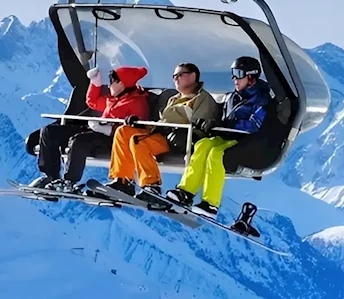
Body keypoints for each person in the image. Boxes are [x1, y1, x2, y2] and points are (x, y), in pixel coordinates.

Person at [166, 56, 271, 219]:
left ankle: (210, 204)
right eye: (233, 74)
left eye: (239, 74)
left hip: (246, 141)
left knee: (216, 155)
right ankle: (186, 192)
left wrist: (229, 125)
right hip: (227, 136)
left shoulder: (261, 99)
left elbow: (255, 124)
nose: (234, 79)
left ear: (251, 76)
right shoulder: (233, 97)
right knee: (202, 145)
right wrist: (212, 124)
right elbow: (224, 119)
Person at [104, 62, 219, 201]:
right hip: (162, 133)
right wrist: (140, 123)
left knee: (138, 141)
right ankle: (122, 180)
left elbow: (201, 125)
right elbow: (163, 121)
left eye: (180, 75)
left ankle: (151, 184)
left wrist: (187, 134)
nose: (176, 79)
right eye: (174, 76)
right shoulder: (174, 99)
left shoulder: (202, 99)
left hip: (177, 139)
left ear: (192, 76)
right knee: (123, 131)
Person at [28, 65, 150, 193]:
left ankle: (69, 181)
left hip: (112, 139)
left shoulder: (137, 102)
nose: (109, 85)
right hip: (97, 131)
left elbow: (137, 128)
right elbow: (92, 102)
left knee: (80, 141)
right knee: (50, 132)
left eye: (112, 81)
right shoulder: (113, 100)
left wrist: (107, 129)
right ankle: (50, 176)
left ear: (122, 83)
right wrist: (95, 84)